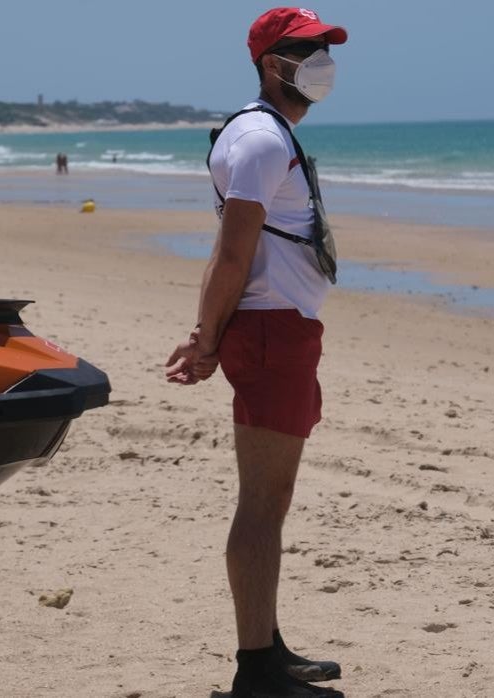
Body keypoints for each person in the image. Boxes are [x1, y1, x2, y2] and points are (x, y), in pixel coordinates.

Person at [164, 7, 348, 698]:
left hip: (279, 329)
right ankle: (256, 669)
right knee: (262, 503)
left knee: (271, 498)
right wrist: (204, 337)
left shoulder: (262, 135)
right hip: (271, 332)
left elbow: (242, 246)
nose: (324, 61)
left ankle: (266, 645)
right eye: (310, 50)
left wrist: (211, 334)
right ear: (274, 63)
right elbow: (233, 249)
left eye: (325, 48)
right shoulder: (262, 142)